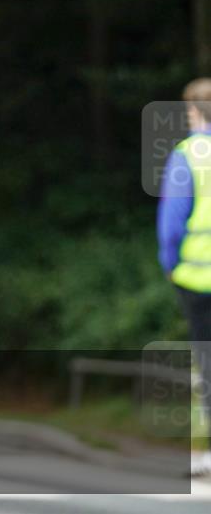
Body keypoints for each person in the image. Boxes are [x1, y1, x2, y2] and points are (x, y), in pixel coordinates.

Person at [157, 77, 211, 477]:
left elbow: (172, 222)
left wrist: (170, 264)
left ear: (195, 111)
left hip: (198, 280)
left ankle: (205, 454)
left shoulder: (189, 155)